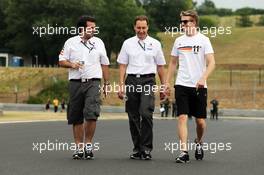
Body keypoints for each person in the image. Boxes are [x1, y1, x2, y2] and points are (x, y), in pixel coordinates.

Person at [165, 10, 215, 163]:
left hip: (199, 86)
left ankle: (199, 142)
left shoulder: (204, 40)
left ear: (194, 22)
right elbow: (173, 63)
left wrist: (203, 78)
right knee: (182, 117)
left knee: (200, 121)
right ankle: (183, 152)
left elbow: (212, 63)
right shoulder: (178, 41)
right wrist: (167, 82)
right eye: (181, 21)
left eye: (186, 21)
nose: (183, 24)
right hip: (181, 84)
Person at [59, 15, 110, 160]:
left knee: (92, 113)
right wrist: (72, 64)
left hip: (93, 82)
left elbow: (105, 63)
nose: (94, 30)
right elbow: (61, 61)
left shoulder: (99, 42)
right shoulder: (70, 42)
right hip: (75, 82)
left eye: (94, 27)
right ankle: (78, 148)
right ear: (82, 28)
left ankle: (88, 144)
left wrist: (106, 83)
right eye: (91, 27)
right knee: (76, 116)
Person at [117, 15, 166, 160]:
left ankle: (146, 148)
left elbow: (160, 66)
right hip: (131, 80)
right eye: (138, 27)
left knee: (145, 112)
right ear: (134, 27)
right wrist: (121, 85)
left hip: (148, 81)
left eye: (144, 27)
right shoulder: (127, 43)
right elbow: (122, 65)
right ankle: (138, 148)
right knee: (133, 116)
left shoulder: (156, 43)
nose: (141, 30)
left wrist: (164, 86)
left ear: (148, 27)